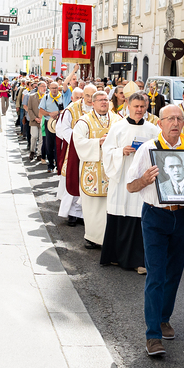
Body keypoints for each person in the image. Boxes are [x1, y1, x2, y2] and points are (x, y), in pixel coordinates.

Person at [126, 104, 184, 358]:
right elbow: (130, 185)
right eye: (169, 119)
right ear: (160, 123)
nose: (175, 123)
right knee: (156, 275)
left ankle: (164, 318)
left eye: (179, 119)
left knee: (174, 274)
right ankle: (152, 335)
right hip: (155, 216)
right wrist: (145, 180)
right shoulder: (148, 149)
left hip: (183, 217)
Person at [101, 91, 160, 272]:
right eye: (136, 106)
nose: (139, 110)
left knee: (139, 218)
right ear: (128, 107)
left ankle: (139, 261)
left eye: (142, 106)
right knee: (120, 215)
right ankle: (115, 256)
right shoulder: (118, 127)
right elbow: (107, 151)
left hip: (142, 179)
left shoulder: (153, 129)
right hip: (121, 177)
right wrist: (121, 151)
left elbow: (159, 152)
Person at [73, 89, 120, 249]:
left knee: (111, 205)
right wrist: (98, 142)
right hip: (92, 168)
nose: (104, 102)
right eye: (100, 100)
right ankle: (93, 237)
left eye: (106, 100)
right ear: (93, 103)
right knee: (93, 207)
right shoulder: (84, 121)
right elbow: (78, 142)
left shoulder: (118, 119)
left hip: (112, 168)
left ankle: (110, 238)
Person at [58, 85, 92, 226]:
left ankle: (84, 213)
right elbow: (63, 129)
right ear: (83, 95)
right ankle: (72, 213)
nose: (90, 99)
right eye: (87, 95)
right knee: (73, 179)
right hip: (74, 149)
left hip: (92, 151)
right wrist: (79, 139)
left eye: (93, 96)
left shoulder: (101, 109)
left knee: (88, 180)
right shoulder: (72, 109)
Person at [40, 81, 61, 172]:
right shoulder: (46, 97)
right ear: (49, 88)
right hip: (48, 123)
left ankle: (58, 164)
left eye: (56, 88)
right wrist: (49, 113)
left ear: (58, 88)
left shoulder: (62, 97)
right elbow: (41, 110)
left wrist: (57, 113)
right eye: (52, 88)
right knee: (49, 144)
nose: (54, 90)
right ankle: (50, 165)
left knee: (58, 144)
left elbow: (66, 109)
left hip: (59, 123)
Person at [26, 80, 45, 162]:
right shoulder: (32, 96)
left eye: (45, 86)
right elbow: (29, 109)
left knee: (41, 138)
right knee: (34, 136)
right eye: (42, 86)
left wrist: (42, 118)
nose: (44, 88)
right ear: (38, 87)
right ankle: (32, 151)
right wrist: (35, 118)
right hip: (34, 120)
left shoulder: (47, 97)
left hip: (43, 120)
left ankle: (39, 154)